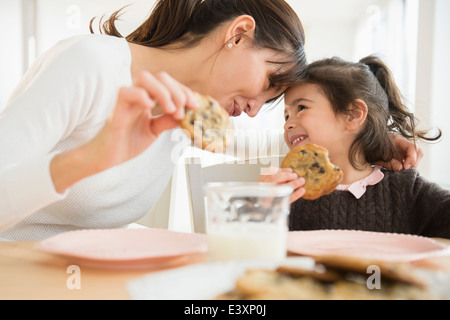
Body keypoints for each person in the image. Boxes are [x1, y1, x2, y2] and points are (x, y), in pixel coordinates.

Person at [0, 0, 418, 241]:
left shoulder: (189, 118)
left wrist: (369, 141)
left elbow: (279, 146)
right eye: (268, 82)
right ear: (237, 35)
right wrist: (90, 158)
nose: (254, 110)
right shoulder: (88, 64)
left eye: (270, 103)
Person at [261, 55, 449, 238]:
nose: (287, 124)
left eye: (301, 108)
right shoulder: (286, 193)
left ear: (352, 115)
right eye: (286, 115)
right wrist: (258, 207)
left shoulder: (406, 189)